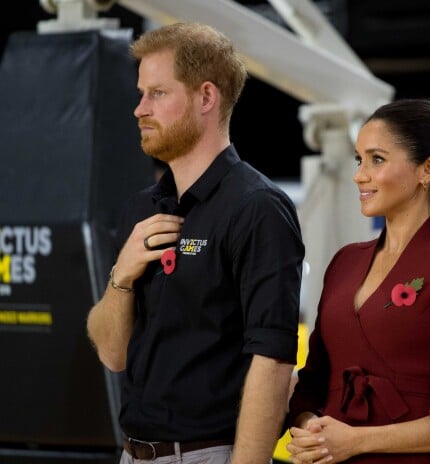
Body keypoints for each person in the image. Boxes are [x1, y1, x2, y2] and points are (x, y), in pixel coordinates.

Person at [86, 22, 305, 464]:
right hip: (132, 453)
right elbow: (112, 355)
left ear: (207, 97)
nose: (139, 109)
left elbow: (274, 364)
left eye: (158, 94)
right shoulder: (141, 210)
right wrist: (121, 276)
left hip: (210, 453)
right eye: (141, 92)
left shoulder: (257, 208)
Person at [285, 98, 430, 464]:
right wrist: (310, 427)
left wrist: (357, 441)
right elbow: (312, 383)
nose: (360, 174)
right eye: (359, 159)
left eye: (377, 159)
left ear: (427, 169)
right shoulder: (345, 261)